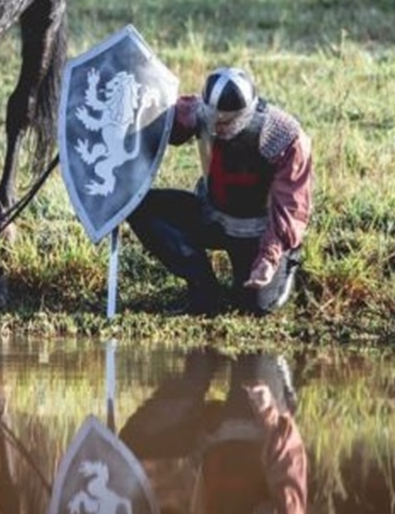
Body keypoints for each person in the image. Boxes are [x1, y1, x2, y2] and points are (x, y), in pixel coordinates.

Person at [127, 66, 313, 316]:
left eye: (226, 121)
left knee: (255, 307)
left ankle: (286, 263)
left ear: (246, 112)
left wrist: (269, 257)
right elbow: (157, 123)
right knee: (139, 207)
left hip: (258, 232)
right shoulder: (200, 112)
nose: (216, 128)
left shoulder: (284, 137)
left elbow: (290, 207)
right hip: (212, 215)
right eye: (212, 118)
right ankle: (203, 286)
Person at [119, 350, 308, 514]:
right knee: (255, 354)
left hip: (214, 435)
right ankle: (281, 387)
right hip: (260, 426)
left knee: (128, 450)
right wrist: (269, 413)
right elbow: (290, 458)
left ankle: (197, 373)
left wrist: (202, 440)